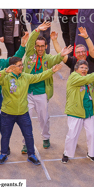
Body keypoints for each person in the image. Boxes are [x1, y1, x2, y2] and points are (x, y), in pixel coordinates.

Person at [51, 27, 94, 150]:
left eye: (82, 51)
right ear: (75, 53)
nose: (80, 53)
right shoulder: (73, 62)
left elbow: (91, 48)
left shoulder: (92, 59)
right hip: (78, 99)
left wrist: (86, 37)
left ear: (85, 53)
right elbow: (62, 54)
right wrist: (54, 41)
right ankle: (73, 141)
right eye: (78, 52)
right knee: (76, 123)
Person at [0, 57, 63, 165]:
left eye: (22, 65)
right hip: (8, 113)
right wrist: (5, 71)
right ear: (12, 67)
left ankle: (31, 155)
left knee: (28, 134)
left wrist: (52, 71)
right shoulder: (6, 77)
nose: (22, 67)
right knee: (5, 135)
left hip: (23, 113)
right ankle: (3, 154)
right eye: (19, 65)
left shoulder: (25, 77)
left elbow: (39, 76)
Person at [22, 21, 73, 152]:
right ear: (35, 46)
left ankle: (45, 137)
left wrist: (62, 54)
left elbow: (56, 59)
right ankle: (25, 143)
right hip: (27, 93)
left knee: (43, 118)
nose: (39, 48)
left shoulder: (48, 58)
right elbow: (30, 42)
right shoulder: (29, 54)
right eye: (37, 46)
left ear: (45, 46)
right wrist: (37, 29)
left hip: (41, 93)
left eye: (42, 46)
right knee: (25, 119)